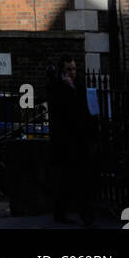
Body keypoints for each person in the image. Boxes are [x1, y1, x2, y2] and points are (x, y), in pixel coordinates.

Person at [47, 56, 96, 226]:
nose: (72, 72)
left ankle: (64, 213)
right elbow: (61, 111)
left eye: (74, 69)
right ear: (62, 71)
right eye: (69, 69)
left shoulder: (79, 85)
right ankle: (84, 216)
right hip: (66, 142)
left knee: (72, 180)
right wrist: (69, 90)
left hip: (80, 140)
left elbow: (86, 110)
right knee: (73, 180)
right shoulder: (57, 87)